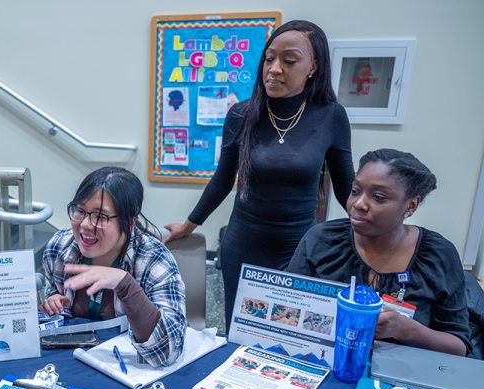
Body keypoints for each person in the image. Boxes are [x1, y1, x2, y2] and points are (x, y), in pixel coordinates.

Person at [164, 20, 354, 324]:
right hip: (243, 245)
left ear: (313, 66)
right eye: (269, 59)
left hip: (298, 251)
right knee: (240, 332)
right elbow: (223, 180)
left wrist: (375, 233)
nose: (275, 68)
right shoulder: (241, 114)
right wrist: (189, 225)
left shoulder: (331, 116)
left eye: (289, 60)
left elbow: (347, 190)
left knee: (287, 334)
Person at [287, 149, 470, 356]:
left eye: (378, 197)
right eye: (355, 191)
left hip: (402, 375)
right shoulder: (322, 240)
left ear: (411, 205)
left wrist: (407, 329)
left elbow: (458, 348)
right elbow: (287, 310)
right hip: (326, 363)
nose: (358, 204)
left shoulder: (439, 255)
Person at [41, 167, 186, 367]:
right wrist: (53, 304)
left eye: (100, 217)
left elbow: (169, 351)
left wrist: (125, 284)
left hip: (129, 368)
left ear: (130, 222)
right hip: (73, 362)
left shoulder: (154, 259)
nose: (84, 225)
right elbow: (54, 317)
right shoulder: (59, 246)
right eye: (80, 211)